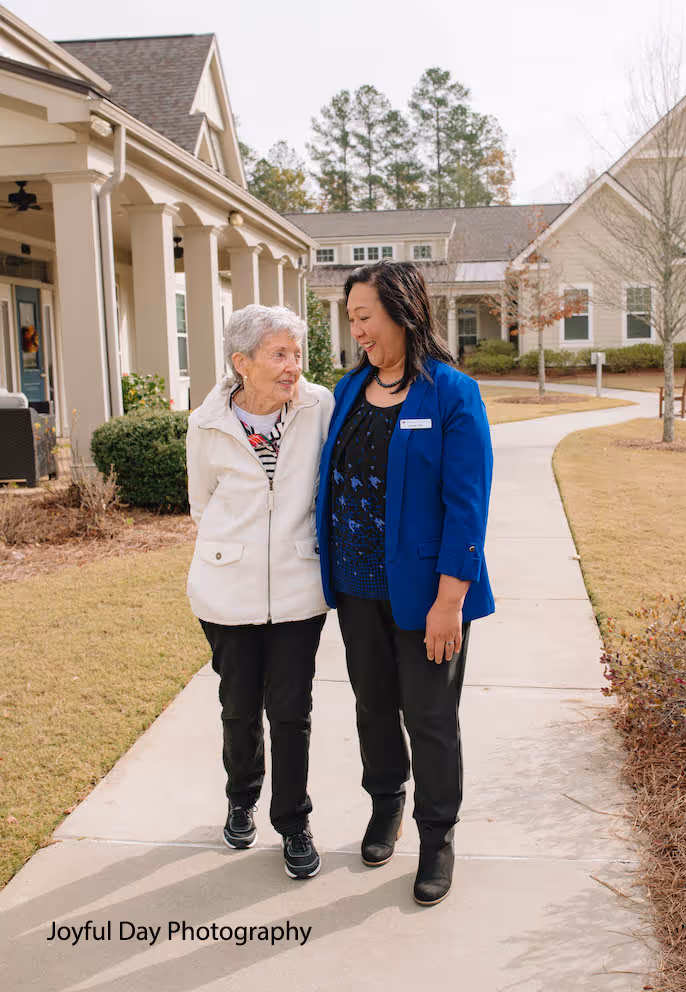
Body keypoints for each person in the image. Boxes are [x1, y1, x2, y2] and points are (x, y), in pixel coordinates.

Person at [316, 260, 494, 906]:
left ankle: (437, 835)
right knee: (372, 708)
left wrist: (451, 601)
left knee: (431, 717)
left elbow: (467, 504)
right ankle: (385, 804)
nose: (356, 328)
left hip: (427, 597)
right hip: (358, 588)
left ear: (401, 311)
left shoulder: (450, 393)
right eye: (352, 317)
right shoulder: (346, 391)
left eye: (364, 316)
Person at [186, 304, 334, 880]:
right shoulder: (206, 425)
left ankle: (294, 821)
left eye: (296, 354)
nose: (292, 366)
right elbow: (202, 503)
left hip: (299, 588)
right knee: (238, 707)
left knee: (291, 711)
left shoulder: (318, 407)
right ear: (241, 363)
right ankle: (241, 797)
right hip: (228, 592)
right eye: (279, 354)